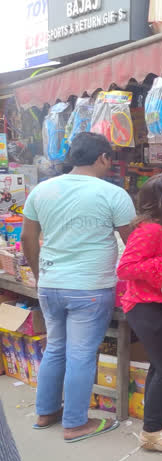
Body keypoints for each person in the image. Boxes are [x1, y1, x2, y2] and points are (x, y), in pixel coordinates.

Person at [21, 132, 135, 442]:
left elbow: (27, 239)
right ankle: (75, 423)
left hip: (51, 283)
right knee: (82, 354)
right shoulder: (112, 194)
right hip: (90, 286)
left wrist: (39, 273)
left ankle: (46, 413)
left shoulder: (41, 190)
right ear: (103, 158)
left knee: (56, 347)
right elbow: (132, 243)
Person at [117, 172, 162, 452]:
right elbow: (126, 268)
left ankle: (154, 422)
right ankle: (150, 431)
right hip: (147, 305)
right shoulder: (151, 229)